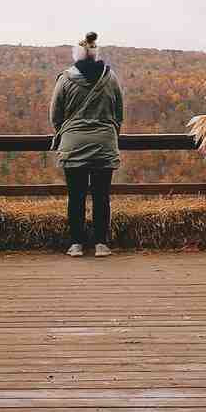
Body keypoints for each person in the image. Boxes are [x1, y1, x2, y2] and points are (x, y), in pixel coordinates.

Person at [49, 32, 124, 257]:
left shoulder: (65, 79)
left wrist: (68, 133)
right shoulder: (111, 78)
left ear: (78, 56)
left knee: (76, 196)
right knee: (102, 196)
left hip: (73, 145)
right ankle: (101, 243)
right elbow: (119, 113)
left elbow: (55, 115)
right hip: (104, 143)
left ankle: (77, 244)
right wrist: (110, 133)